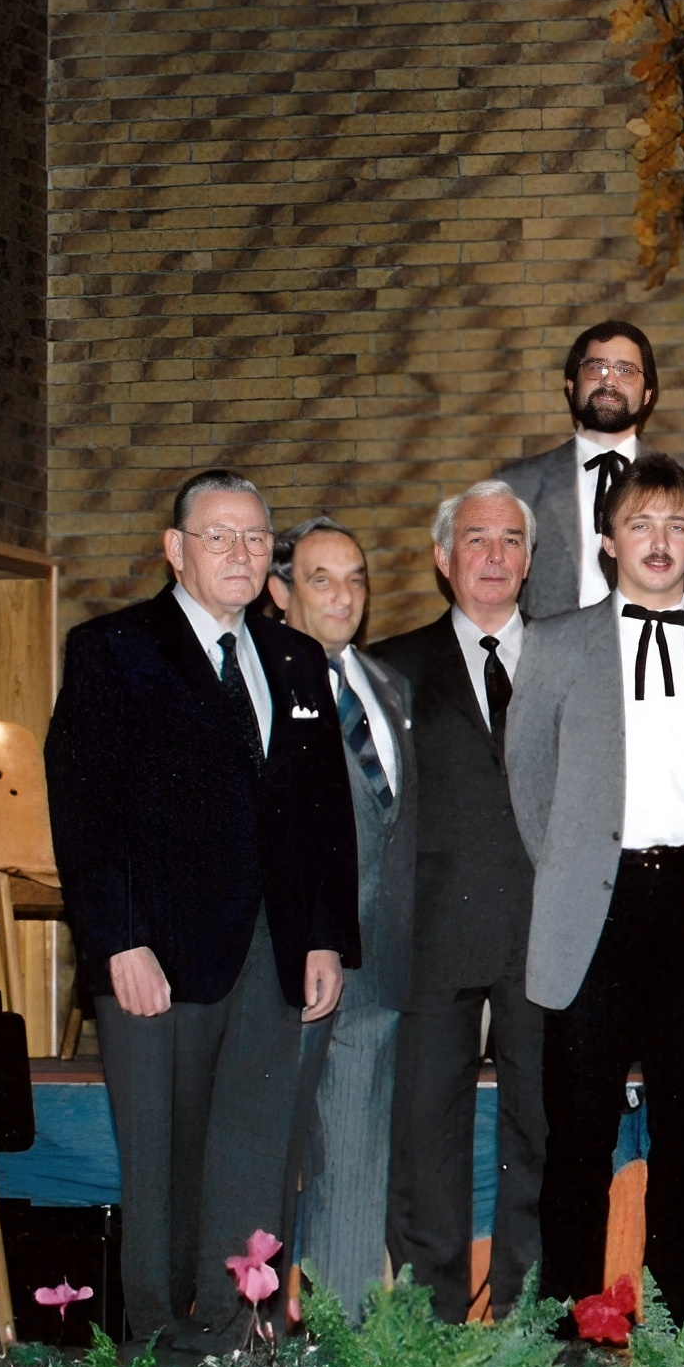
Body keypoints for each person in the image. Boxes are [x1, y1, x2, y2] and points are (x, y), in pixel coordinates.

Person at [45, 470, 357, 1353]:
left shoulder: (295, 656)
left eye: (256, 538)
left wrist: (325, 936)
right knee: (163, 1166)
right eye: (218, 536)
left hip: (273, 949)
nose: (240, 553)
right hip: (157, 955)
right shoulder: (113, 648)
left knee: (255, 1157)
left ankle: (235, 1339)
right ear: (174, 549)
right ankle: (156, 1351)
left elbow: (324, 812)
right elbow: (84, 810)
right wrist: (117, 942)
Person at [504, 453, 684, 1338]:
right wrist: (577, 869)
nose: (659, 542)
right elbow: (529, 779)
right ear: (609, 541)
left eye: (678, 526)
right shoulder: (556, 641)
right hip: (595, 919)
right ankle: (562, 1350)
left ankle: (681, 1346)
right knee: (575, 1146)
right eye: (641, 524)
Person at [371, 481, 546, 1324]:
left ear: (529, 558)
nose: (494, 557)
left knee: (539, 1138)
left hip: (546, 936)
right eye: (475, 540)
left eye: (510, 541)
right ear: (443, 558)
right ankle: (431, 1333)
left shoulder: (566, 658)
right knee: (425, 1142)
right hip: (431, 935)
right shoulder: (390, 668)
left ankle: (527, 1327)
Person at [267, 517, 417, 1316]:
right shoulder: (255, 683)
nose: (344, 595)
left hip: (376, 965)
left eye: (356, 577)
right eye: (322, 579)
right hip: (286, 961)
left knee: (356, 1163)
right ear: (279, 590)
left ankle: (345, 1348)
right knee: (263, 1161)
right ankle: (239, 1342)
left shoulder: (386, 687)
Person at [497, 320, 684, 620]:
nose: (609, 381)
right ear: (572, 385)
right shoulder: (516, 486)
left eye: (625, 370)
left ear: (648, 393)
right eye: (596, 367)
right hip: (551, 658)